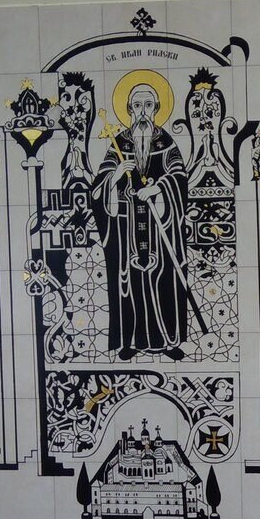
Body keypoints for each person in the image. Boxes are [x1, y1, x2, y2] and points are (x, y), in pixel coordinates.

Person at [90, 82, 188, 360]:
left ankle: (168, 342)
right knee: (129, 285)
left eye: (148, 105)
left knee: (163, 282)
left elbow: (179, 178)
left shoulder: (166, 143)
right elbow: (98, 189)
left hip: (160, 229)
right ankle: (129, 341)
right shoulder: (118, 145)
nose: (142, 112)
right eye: (136, 106)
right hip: (126, 229)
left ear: (157, 109)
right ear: (129, 110)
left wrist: (157, 189)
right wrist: (117, 174)